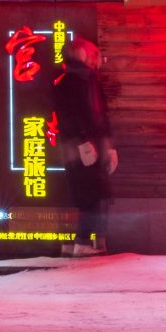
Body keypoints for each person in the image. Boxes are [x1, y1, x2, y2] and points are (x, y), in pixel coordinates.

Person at [53, 35, 117, 255]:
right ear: (81, 53)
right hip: (81, 147)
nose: (97, 58)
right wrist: (83, 142)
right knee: (87, 194)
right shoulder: (70, 81)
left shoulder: (88, 80)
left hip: (90, 146)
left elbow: (101, 115)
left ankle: (84, 242)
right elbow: (69, 116)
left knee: (89, 194)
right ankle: (81, 242)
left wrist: (108, 146)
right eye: (93, 53)